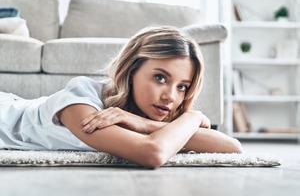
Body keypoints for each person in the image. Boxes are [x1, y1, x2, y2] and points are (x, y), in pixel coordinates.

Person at [0, 26, 242, 168]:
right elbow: (153, 153)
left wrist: (146, 124)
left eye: (182, 86)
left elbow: (231, 147)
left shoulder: (146, 114)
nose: (170, 96)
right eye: (160, 78)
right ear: (132, 69)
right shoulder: (80, 100)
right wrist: (194, 117)